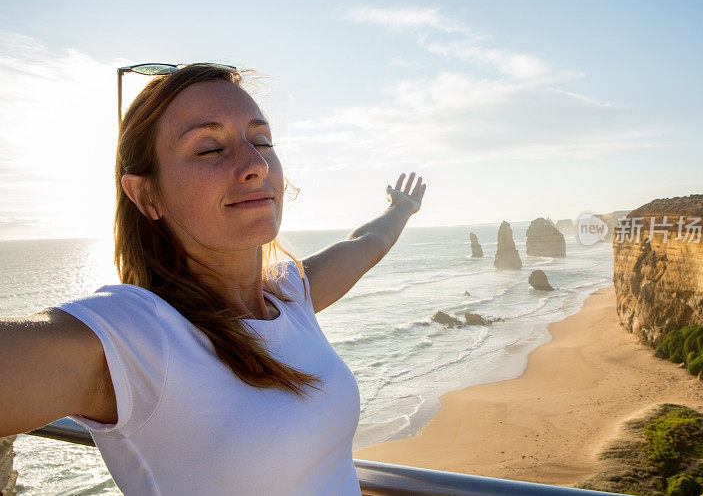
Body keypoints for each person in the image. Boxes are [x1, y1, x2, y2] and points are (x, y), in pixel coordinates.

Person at [0, 63, 426, 494]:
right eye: (209, 149)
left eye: (261, 140)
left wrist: (400, 208)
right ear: (146, 195)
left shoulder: (290, 295)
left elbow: (364, 243)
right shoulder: (137, 338)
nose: (255, 163)